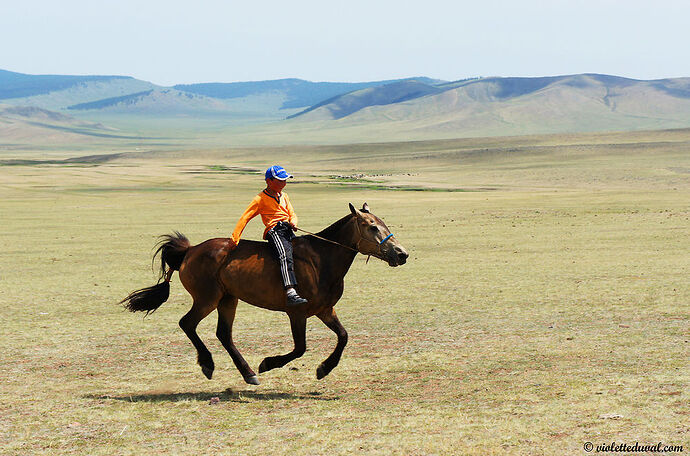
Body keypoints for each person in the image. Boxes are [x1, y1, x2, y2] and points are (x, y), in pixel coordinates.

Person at [229, 165, 308, 306]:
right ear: (269, 181)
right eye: (280, 181)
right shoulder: (260, 199)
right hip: (274, 231)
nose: (284, 184)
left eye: (285, 181)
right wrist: (235, 238)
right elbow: (245, 218)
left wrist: (293, 222)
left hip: (288, 229)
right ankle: (290, 292)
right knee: (284, 255)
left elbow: (292, 213)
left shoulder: (284, 196)